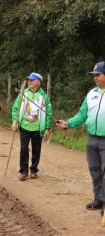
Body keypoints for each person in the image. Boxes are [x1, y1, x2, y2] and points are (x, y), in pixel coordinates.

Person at [57, 61, 105, 215]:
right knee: (95, 171)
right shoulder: (91, 94)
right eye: (94, 76)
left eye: (98, 75)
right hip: (91, 139)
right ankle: (98, 199)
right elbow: (82, 114)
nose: (95, 78)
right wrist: (68, 123)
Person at [11, 72, 52, 181]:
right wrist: (14, 121)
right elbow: (16, 108)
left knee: (36, 150)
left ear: (38, 82)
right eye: (29, 79)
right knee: (24, 149)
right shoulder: (23, 93)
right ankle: (23, 171)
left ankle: (34, 169)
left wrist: (47, 127)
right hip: (24, 126)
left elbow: (49, 113)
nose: (29, 81)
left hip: (37, 129)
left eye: (32, 80)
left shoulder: (44, 97)